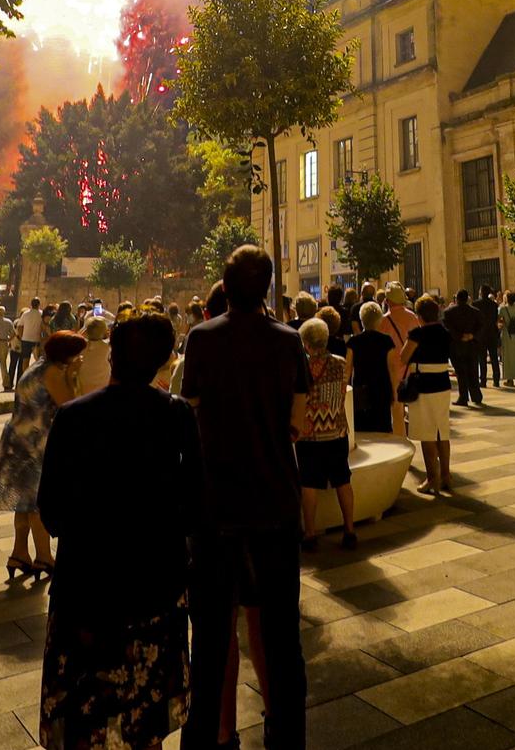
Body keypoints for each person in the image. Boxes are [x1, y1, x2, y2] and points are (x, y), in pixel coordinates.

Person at [41, 313, 201, 749]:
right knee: (145, 721)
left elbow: (51, 510)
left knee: (85, 719)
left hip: (86, 586)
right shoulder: (176, 415)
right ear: (163, 362)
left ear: (111, 356)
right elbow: (194, 501)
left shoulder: (74, 417)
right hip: (156, 585)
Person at [179, 245, 309, 750]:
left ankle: (213, 734)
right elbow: (297, 424)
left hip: (215, 504)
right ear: (268, 288)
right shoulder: (288, 341)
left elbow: (191, 413)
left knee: (211, 636)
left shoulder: (202, 339)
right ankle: (285, 733)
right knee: (281, 635)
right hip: (276, 501)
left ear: (225, 287)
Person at [0, 330, 86, 580]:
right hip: (35, 443)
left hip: (17, 439)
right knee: (39, 501)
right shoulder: (53, 372)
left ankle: (19, 552)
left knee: (24, 501)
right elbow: (69, 405)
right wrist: (74, 377)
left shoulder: (38, 366)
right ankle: (43, 556)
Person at [296, 318, 356, 550]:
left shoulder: (301, 367)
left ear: (307, 344)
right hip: (337, 431)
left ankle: (310, 534)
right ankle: (349, 530)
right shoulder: (340, 364)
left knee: (309, 484)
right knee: (343, 480)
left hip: (309, 434)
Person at [398, 297, 456, 494]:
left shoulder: (417, 334)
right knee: (442, 429)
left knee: (427, 433)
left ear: (419, 315)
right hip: (442, 383)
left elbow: (403, 357)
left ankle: (432, 478)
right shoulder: (445, 333)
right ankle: (446, 475)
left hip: (423, 384)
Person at [375, 285, 420, 434]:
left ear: (387, 301)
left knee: (396, 409)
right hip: (409, 367)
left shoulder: (383, 321)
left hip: (391, 369)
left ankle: (399, 439)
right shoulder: (412, 317)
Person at [346, 302, 395, 434]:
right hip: (382, 389)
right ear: (379, 320)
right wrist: (394, 391)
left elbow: (347, 370)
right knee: (382, 428)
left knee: (362, 430)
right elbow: (392, 369)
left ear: (361, 320)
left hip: (361, 390)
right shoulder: (387, 341)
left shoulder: (353, 342)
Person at [17, 297, 49, 382]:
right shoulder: (41, 314)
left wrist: (21, 337)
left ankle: (25, 378)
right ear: (39, 304)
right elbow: (44, 328)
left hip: (26, 339)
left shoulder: (25, 314)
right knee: (38, 360)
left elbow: (20, 326)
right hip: (37, 340)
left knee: (25, 360)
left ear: (31, 304)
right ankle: (37, 378)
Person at [80, 315, 113, 391]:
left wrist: (84, 329)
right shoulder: (106, 346)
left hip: (84, 381)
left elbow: (78, 335)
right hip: (103, 381)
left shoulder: (82, 345)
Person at [480, 286, 502, 387]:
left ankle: (483, 380)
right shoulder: (494, 305)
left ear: (481, 292)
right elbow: (496, 318)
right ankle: (496, 380)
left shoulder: (476, 304)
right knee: (494, 358)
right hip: (492, 333)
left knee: (482, 359)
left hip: (481, 334)